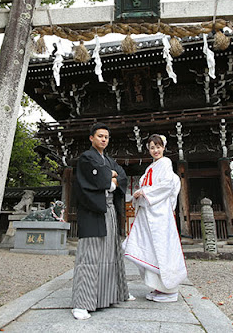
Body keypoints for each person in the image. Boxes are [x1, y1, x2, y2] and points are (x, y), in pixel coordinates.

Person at [71, 122, 133, 320]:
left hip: (109, 211)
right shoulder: (86, 158)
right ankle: (81, 303)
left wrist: (112, 177)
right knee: (90, 255)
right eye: (100, 136)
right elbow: (99, 179)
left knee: (111, 252)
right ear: (91, 138)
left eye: (106, 137)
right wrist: (110, 177)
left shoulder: (108, 159)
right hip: (92, 211)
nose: (103, 139)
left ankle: (111, 295)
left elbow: (121, 175)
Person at [122, 134, 187, 303]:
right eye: (152, 147)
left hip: (159, 216)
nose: (155, 150)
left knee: (161, 249)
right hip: (149, 214)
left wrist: (145, 192)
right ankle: (159, 288)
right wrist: (139, 195)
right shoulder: (151, 167)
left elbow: (167, 185)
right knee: (150, 249)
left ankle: (170, 289)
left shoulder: (165, 163)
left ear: (163, 147)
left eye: (158, 147)